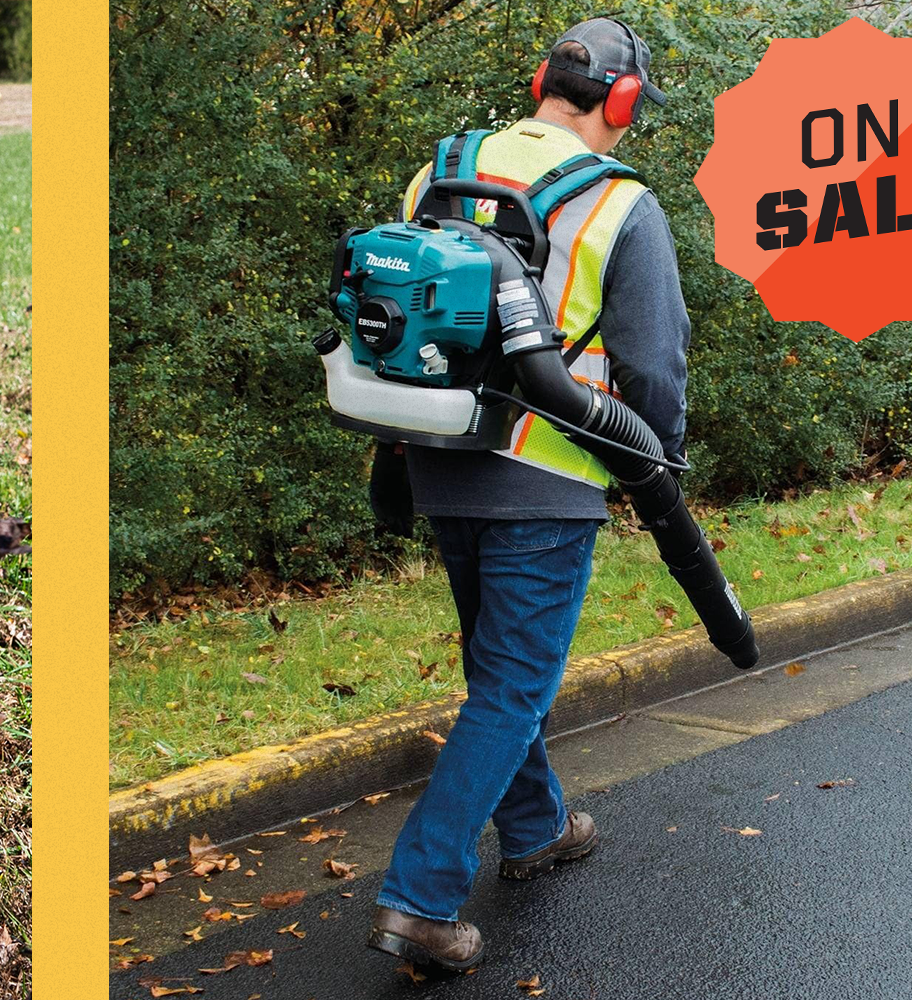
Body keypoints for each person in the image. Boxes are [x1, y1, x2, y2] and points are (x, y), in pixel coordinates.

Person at [367, 17, 690, 971]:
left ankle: (539, 827)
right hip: (546, 474)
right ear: (621, 103)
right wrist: (657, 465)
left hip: (439, 459)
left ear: (543, 80)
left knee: (497, 670)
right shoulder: (622, 206)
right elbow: (654, 365)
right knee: (513, 684)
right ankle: (420, 897)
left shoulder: (442, 172)